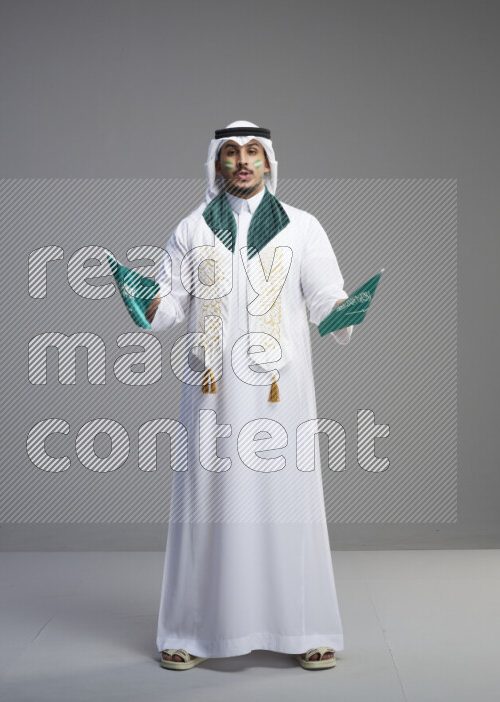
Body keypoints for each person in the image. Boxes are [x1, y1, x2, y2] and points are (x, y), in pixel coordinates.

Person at [144, 121, 354, 671]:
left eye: (253, 152)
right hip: (211, 392)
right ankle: (189, 631)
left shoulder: (301, 228)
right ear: (216, 163)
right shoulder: (192, 229)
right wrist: (144, 301)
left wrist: (344, 311)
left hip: (278, 396)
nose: (242, 161)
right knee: (204, 506)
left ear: (268, 162)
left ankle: (305, 627)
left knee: (289, 502)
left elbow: (326, 296)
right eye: (232, 153)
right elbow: (168, 305)